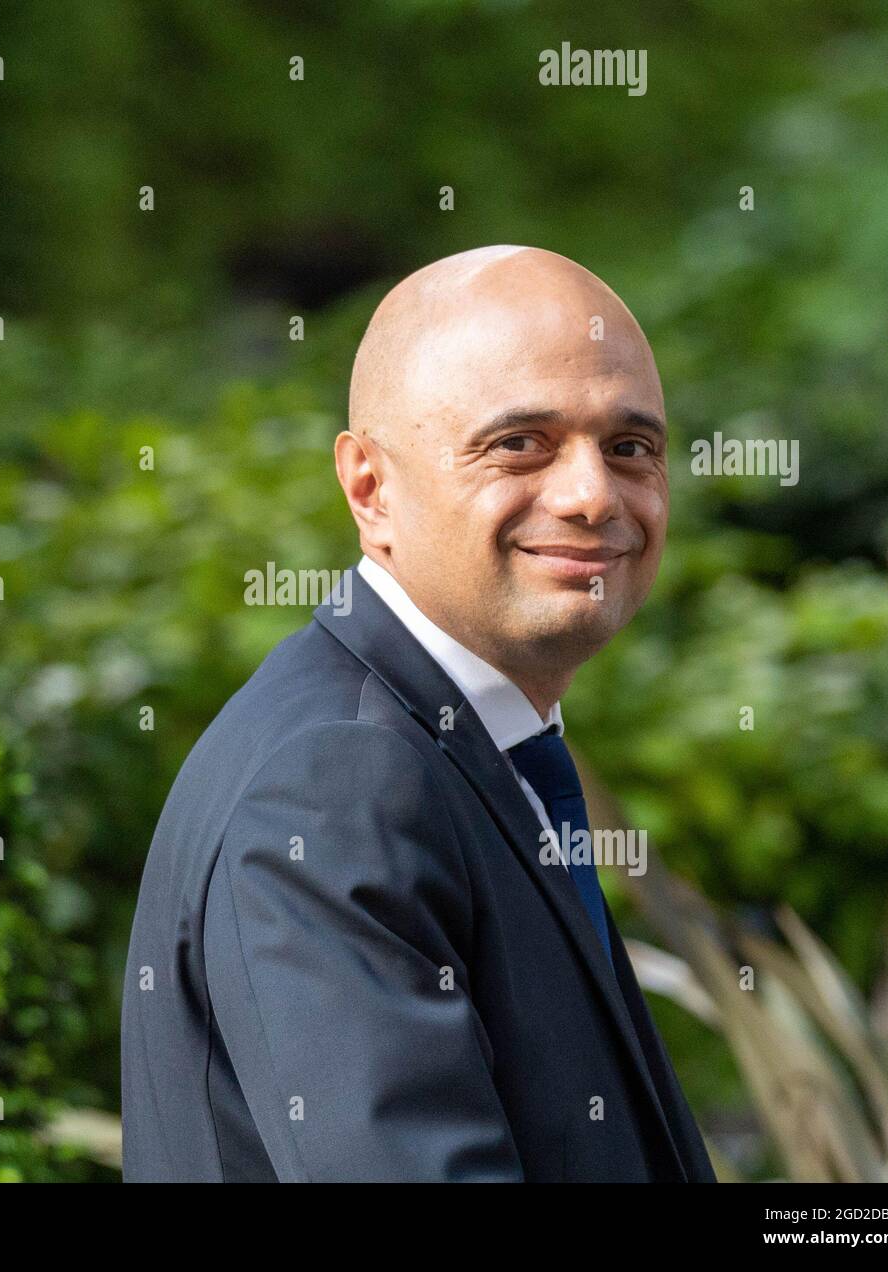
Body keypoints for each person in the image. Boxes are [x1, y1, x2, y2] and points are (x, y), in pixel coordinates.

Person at [120, 245, 716, 1182]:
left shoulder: (472, 749)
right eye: (520, 442)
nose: (593, 494)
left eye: (630, 448)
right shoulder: (335, 782)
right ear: (370, 488)